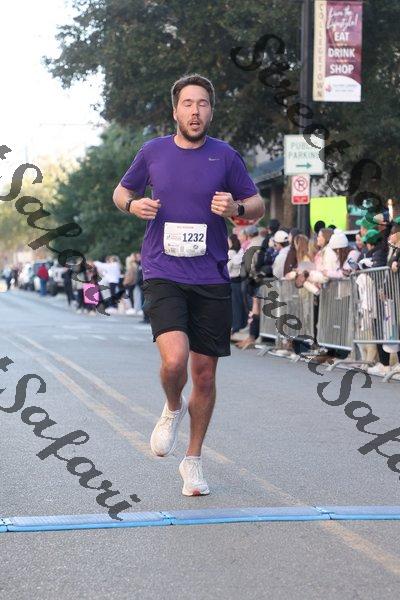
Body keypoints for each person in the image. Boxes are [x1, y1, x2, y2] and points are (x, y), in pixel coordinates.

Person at [113, 73, 264, 496]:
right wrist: (133, 205)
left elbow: (256, 204)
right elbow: (120, 192)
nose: (195, 111)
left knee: (205, 375)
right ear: (175, 111)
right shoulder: (153, 152)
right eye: (188, 104)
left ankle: (193, 461)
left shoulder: (225, 156)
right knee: (175, 360)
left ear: (210, 111)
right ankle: (172, 405)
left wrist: (236, 207)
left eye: (202, 104)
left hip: (210, 275)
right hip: (163, 271)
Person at [227, 233, 246, 337]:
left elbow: (227, 268)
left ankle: (235, 326)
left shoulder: (230, 253)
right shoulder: (239, 252)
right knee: (239, 305)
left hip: (233, 281)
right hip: (239, 281)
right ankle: (240, 325)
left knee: (235, 306)